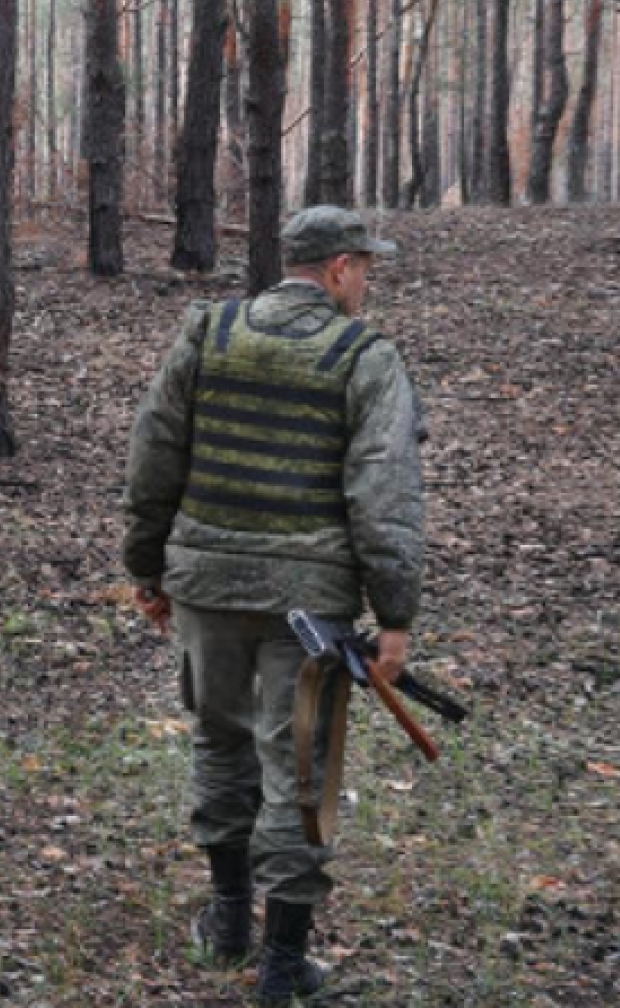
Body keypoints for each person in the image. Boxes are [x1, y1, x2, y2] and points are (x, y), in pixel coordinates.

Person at [122, 205, 425, 1006]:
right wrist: (395, 614)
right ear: (336, 269)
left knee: (219, 744)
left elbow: (154, 453)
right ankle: (282, 967)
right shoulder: (366, 356)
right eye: (365, 266)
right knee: (300, 771)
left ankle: (228, 923)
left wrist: (147, 567)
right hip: (310, 603)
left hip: (206, 588)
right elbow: (382, 493)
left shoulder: (209, 333)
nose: (367, 281)